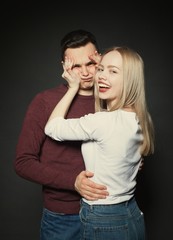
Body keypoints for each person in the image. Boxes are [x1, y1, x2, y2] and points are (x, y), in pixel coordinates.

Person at [44, 46, 155, 239]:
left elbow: (52, 127)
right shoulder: (139, 118)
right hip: (131, 213)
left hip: (104, 218)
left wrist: (72, 88)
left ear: (129, 79)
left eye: (113, 71)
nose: (101, 76)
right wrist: (106, 64)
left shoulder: (102, 122)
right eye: (101, 69)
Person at [14, 29, 109, 240]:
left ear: (99, 60)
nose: (85, 72)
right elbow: (23, 162)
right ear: (65, 67)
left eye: (91, 63)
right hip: (63, 218)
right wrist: (73, 182)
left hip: (109, 213)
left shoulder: (112, 99)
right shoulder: (45, 101)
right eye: (76, 66)